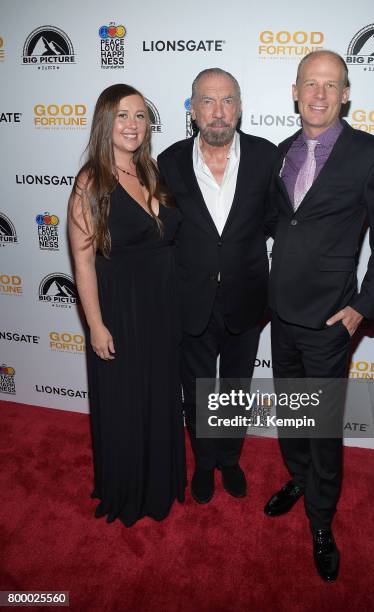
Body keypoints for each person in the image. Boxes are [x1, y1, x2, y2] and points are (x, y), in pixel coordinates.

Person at [264, 51, 374, 581]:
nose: (319, 94)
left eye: (331, 85)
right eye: (310, 84)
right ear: (295, 92)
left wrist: (361, 309)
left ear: (345, 94)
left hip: (329, 322)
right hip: (281, 316)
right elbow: (280, 224)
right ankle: (298, 480)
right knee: (293, 414)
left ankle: (321, 522)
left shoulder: (371, 153)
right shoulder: (279, 154)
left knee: (321, 429)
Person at [68, 84, 186, 527]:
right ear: (105, 122)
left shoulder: (151, 170)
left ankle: (160, 479)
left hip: (161, 307)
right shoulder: (91, 181)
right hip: (120, 309)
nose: (133, 124)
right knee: (126, 401)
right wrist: (95, 325)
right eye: (122, 116)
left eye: (140, 115)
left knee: (159, 396)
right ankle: (129, 490)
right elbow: (81, 258)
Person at [157, 68, 277, 504]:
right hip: (192, 301)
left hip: (247, 299)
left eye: (228, 100)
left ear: (240, 107)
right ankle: (204, 463)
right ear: (192, 110)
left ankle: (229, 458)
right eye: (208, 101)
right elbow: (161, 232)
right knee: (199, 389)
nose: (219, 111)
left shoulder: (267, 157)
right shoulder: (168, 162)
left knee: (235, 387)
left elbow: (278, 221)